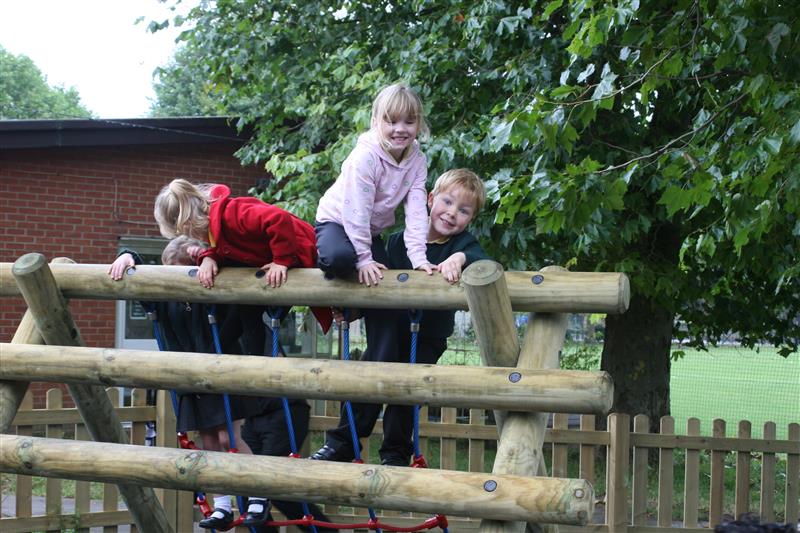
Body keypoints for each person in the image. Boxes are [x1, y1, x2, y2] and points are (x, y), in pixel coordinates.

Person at [311, 168, 489, 466]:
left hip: (427, 335)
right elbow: (374, 283)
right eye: (447, 202)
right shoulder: (397, 242)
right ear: (430, 200)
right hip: (386, 335)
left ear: (470, 219)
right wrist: (352, 311)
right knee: (368, 381)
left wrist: (459, 259)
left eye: (463, 210)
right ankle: (345, 441)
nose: (451, 213)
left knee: (405, 394)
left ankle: (395, 453)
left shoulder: (461, 246)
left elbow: (484, 262)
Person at [108, 237, 272, 529]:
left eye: (182, 272)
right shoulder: (162, 298)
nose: (176, 281)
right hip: (188, 378)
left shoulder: (212, 289)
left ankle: (258, 494)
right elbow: (136, 270)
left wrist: (209, 258)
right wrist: (127, 254)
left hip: (221, 371)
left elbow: (238, 267)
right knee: (209, 442)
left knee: (228, 439)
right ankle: (222, 507)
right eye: (169, 272)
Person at [153, 178, 332, 332]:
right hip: (286, 260)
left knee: (332, 299)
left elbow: (278, 218)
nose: (192, 237)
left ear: (187, 223)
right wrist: (209, 257)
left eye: (188, 233)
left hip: (303, 251)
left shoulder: (232, 214)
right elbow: (231, 249)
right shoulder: (215, 229)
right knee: (247, 315)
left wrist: (281, 261)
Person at [314, 82, 434, 287]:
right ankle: (319, 251)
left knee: (381, 283)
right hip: (337, 221)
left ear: (419, 123)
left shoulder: (417, 160)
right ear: (375, 122)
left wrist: (419, 258)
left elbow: (416, 212)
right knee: (341, 259)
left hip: (369, 231)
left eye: (409, 122)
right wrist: (363, 258)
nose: (400, 129)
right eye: (392, 121)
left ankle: (362, 310)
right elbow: (357, 210)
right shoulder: (365, 157)